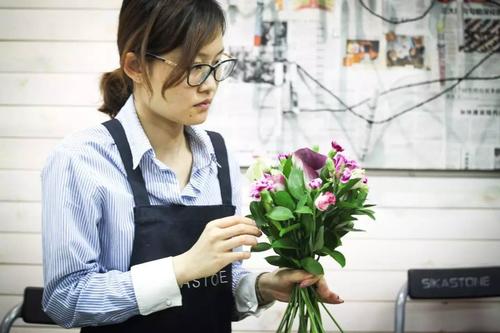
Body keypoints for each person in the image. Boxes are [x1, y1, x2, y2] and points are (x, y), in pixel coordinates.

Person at [41, 1, 343, 332]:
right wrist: (180, 269)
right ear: (136, 65)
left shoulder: (218, 153)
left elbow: (222, 277)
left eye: (217, 64)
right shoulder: (82, 159)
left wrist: (265, 285)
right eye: (194, 67)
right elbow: (66, 299)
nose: (210, 84)